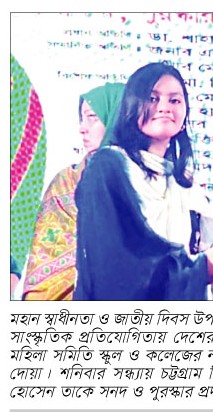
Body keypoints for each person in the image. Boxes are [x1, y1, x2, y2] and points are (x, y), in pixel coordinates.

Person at [73, 62, 213, 300]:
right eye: (152, 99)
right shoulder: (108, 167)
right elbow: (117, 264)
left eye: (175, 100)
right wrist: (198, 270)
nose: (164, 108)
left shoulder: (186, 184)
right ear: (131, 107)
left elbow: (209, 250)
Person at [22, 82, 125, 300]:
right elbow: (45, 253)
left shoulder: (149, 181)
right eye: (82, 118)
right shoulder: (66, 182)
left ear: (117, 117)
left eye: (92, 117)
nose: (82, 128)